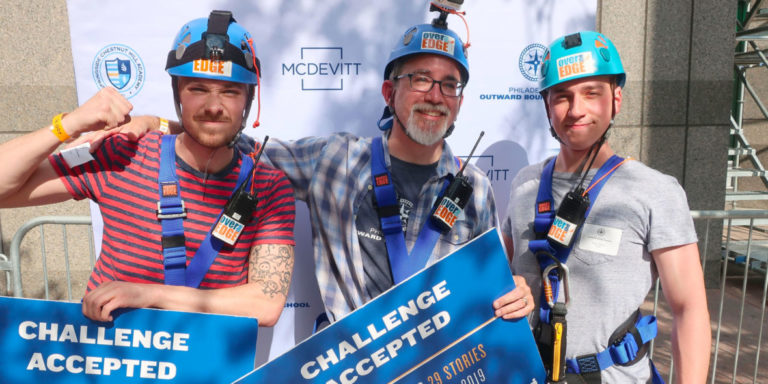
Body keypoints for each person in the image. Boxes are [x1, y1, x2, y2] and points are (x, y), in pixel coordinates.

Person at [0, 10, 296, 326]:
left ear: (248, 99)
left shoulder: (267, 185)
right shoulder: (122, 152)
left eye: (229, 91)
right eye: (197, 88)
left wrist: (146, 294)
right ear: (178, 93)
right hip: (113, 362)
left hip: (208, 365)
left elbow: (266, 305)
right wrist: (69, 125)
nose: (213, 105)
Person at [501, 31, 711, 383]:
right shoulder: (525, 185)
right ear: (547, 106)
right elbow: (499, 277)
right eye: (562, 97)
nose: (576, 109)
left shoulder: (654, 191)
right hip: (527, 373)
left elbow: (689, 309)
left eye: (591, 93)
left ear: (616, 100)